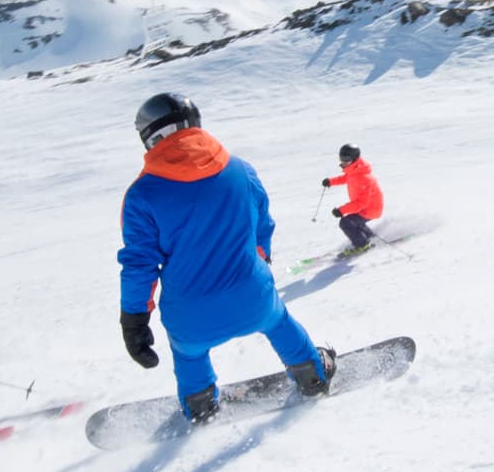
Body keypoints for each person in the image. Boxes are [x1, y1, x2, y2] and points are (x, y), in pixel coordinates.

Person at [118, 92, 336, 423]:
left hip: (190, 317)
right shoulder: (240, 169)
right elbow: (262, 224)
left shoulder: (141, 195)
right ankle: (312, 374)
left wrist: (134, 320)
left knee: (188, 353)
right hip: (254, 297)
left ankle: (201, 404)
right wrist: (259, 263)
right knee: (278, 322)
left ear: (154, 137)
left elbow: (139, 266)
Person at [321, 143, 385, 256]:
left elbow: (361, 203)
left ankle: (362, 245)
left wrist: (342, 210)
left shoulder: (363, 178)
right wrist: (331, 181)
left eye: (346, 159)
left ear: (355, 159)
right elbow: (346, 178)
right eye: (342, 159)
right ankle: (369, 237)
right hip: (365, 208)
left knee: (346, 222)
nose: (343, 162)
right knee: (355, 222)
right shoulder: (355, 171)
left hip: (370, 209)